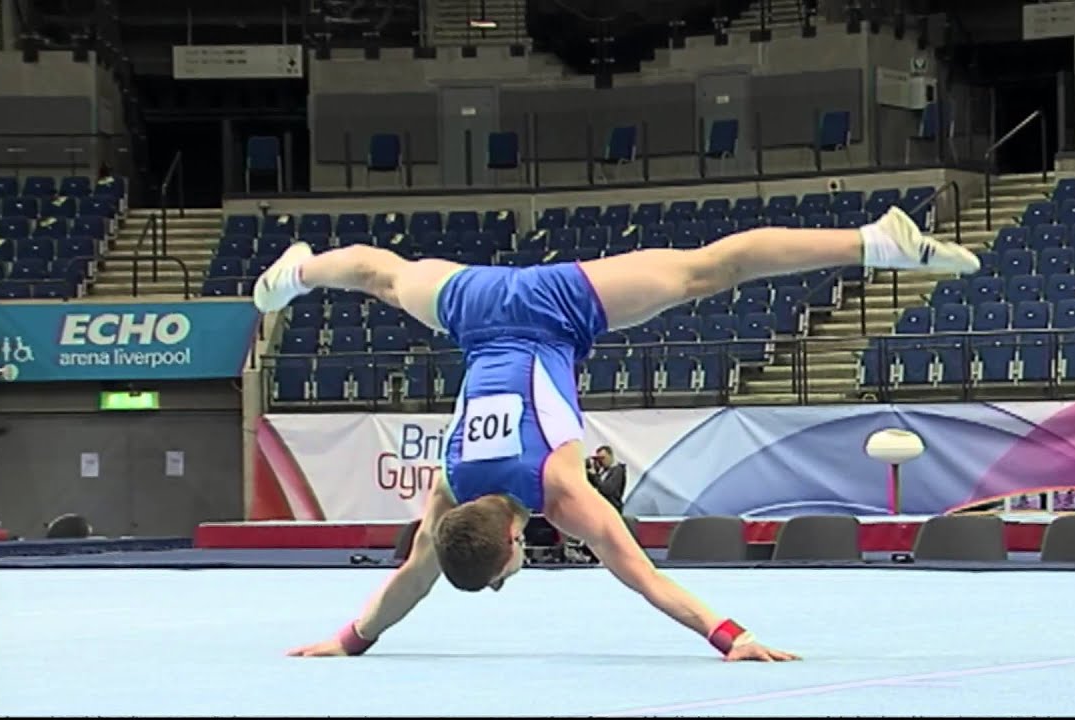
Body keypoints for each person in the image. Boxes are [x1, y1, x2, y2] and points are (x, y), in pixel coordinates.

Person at [262, 206, 978, 662]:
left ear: (514, 542)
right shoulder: (450, 484)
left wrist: (729, 637)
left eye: (508, 573)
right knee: (383, 277)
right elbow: (413, 576)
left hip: (553, 311)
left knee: (710, 271)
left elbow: (643, 577)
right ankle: (300, 270)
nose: (516, 578)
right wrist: (350, 642)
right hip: (474, 308)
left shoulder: (560, 490)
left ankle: (873, 243)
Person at [587, 445, 626, 512]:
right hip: (601, 508)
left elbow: (607, 490)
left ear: (610, 456)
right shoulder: (603, 471)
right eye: (599, 459)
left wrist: (594, 476)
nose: (601, 461)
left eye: (603, 458)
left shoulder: (618, 471)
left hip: (611, 509)